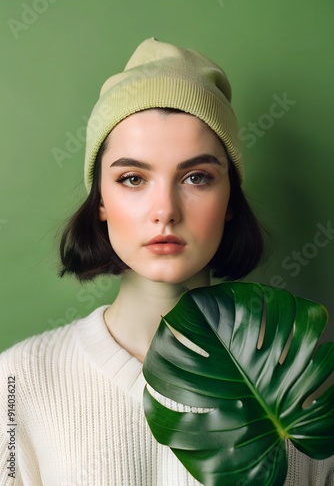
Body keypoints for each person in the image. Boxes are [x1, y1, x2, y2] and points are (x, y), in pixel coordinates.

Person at [0, 38, 333, 485]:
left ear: (229, 196)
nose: (165, 210)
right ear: (101, 199)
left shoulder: (301, 386)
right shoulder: (17, 381)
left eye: (197, 177)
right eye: (133, 178)